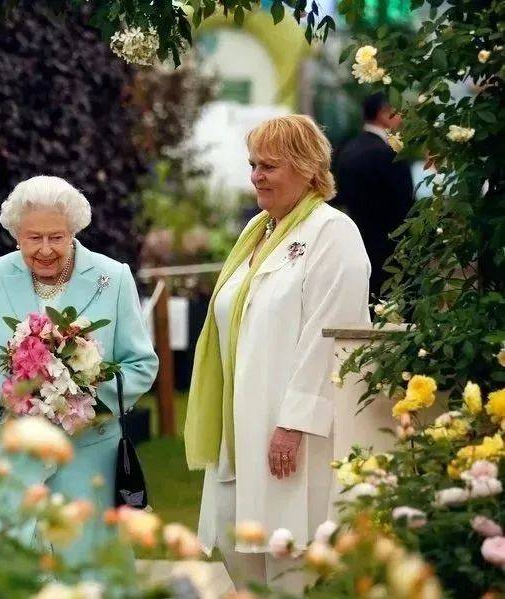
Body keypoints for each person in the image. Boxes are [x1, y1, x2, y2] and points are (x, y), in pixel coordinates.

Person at [184, 115, 370, 593]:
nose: (256, 176)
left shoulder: (334, 232)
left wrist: (293, 424)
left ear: (308, 168)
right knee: (235, 545)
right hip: (236, 425)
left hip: (291, 430)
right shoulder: (258, 229)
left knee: (290, 560)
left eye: (269, 165)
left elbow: (331, 337)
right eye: (252, 165)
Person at [0, 175, 158, 562]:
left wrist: (82, 398)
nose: (46, 249)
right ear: (17, 234)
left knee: (87, 569)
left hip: (89, 452)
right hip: (17, 451)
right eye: (34, 238)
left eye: (57, 237)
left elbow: (141, 363)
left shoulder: (112, 277)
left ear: (73, 232)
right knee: (17, 571)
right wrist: (15, 399)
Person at [334, 92, 413, 298]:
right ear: (383, 114)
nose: (401, 118)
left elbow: (338, 196)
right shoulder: (388, 154)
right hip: (389, 251)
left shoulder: (347, 150)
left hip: (354, 244)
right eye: (398, 112)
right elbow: (405, 206)